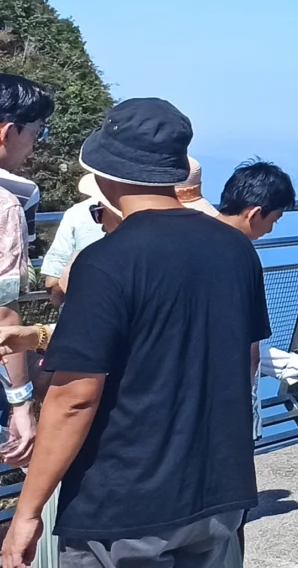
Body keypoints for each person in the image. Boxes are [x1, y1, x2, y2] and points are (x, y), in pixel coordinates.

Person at [2, 98, 267, 568]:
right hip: (217, 492)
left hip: (125, 505)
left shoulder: (105, 261)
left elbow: (75, 398)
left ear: (106, 173)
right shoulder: (236, 249)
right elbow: (243, 360)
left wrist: (28, 511)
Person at [214, 163, 298, 408]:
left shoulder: (185, 241)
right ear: (255, 214)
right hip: (222, 397)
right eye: (274, 220)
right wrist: (246, 404)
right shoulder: (241, 257)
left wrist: (288, 365)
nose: (270, 229)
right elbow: (249, 344)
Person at [0, 75, 53, 466]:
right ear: (8, 131)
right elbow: (3, 313)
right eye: (36, 132)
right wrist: (21, 402)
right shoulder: (8, 205)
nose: (35, 144)